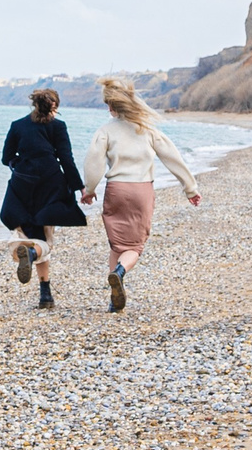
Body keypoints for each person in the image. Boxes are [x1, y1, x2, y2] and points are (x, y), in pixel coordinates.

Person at [77, 75, 202, 312]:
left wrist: (89, 190)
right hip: (141, 190)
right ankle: (119, 273)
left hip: (116, 190)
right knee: (134, 247)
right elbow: (172, 157)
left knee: (117, 245)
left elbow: (93, 161)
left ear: (111, 108)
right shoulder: (147, 130)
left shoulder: (105, 131)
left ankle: (114, 299)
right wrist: (190, 188)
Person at [0, 88, 87, 309]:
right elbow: (66, 159)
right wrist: (80, 188)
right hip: (50, 185)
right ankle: (32, 258)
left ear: (34, 104)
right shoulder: (58, 126)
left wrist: (20, 166)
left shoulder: (17, 125)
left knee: (30, 233)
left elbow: (6, 158)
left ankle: (46, 295)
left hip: (22, 185)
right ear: (55, 106)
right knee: (45, 238)